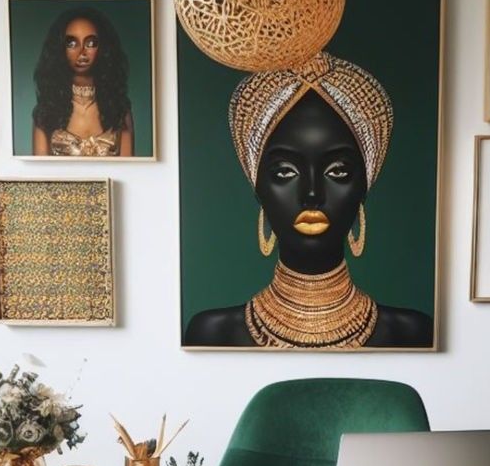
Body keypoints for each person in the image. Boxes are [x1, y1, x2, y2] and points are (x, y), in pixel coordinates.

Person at [184, 51, 433, 348]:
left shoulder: (408, 333)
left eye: (337, 171)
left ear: (363, 186)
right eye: (285, 171)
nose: (312, 194)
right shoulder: (214, 333)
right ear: (258, 187)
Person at [31, 6, 134, 157]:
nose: (82, 53)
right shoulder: (45, 111)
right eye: (72, 44)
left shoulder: (119, 109)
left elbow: (132, 174)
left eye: (90, 43)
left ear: (104, 49)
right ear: (60, 49)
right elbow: (40, 177)